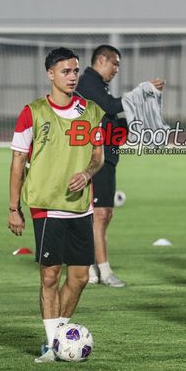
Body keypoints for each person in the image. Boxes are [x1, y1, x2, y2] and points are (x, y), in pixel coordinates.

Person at [8, 47, 105, 363]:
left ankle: (60, 338)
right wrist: (13, 208)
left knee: (80, 278)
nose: (73, 77)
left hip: (81, 206)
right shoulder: (33, 112)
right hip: (47, 205)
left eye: (76, 71)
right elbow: (18, 160)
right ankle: (52, 345)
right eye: (66, 71)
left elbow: (98, 155)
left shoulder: (91, 111)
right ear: (50, 74)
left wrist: (88, 174)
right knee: (50, 276)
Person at [75, 44, 165, 288]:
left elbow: (111, 121)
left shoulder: (97, 86)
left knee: (104, 214)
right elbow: (113, 106)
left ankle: (92, 266)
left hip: (108, 155)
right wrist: (142, 92)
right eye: (115, 63)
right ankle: (101, 270)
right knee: (99, 215)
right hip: (94, 157)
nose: (116, 69)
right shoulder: (88, 83)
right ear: (101, 60)